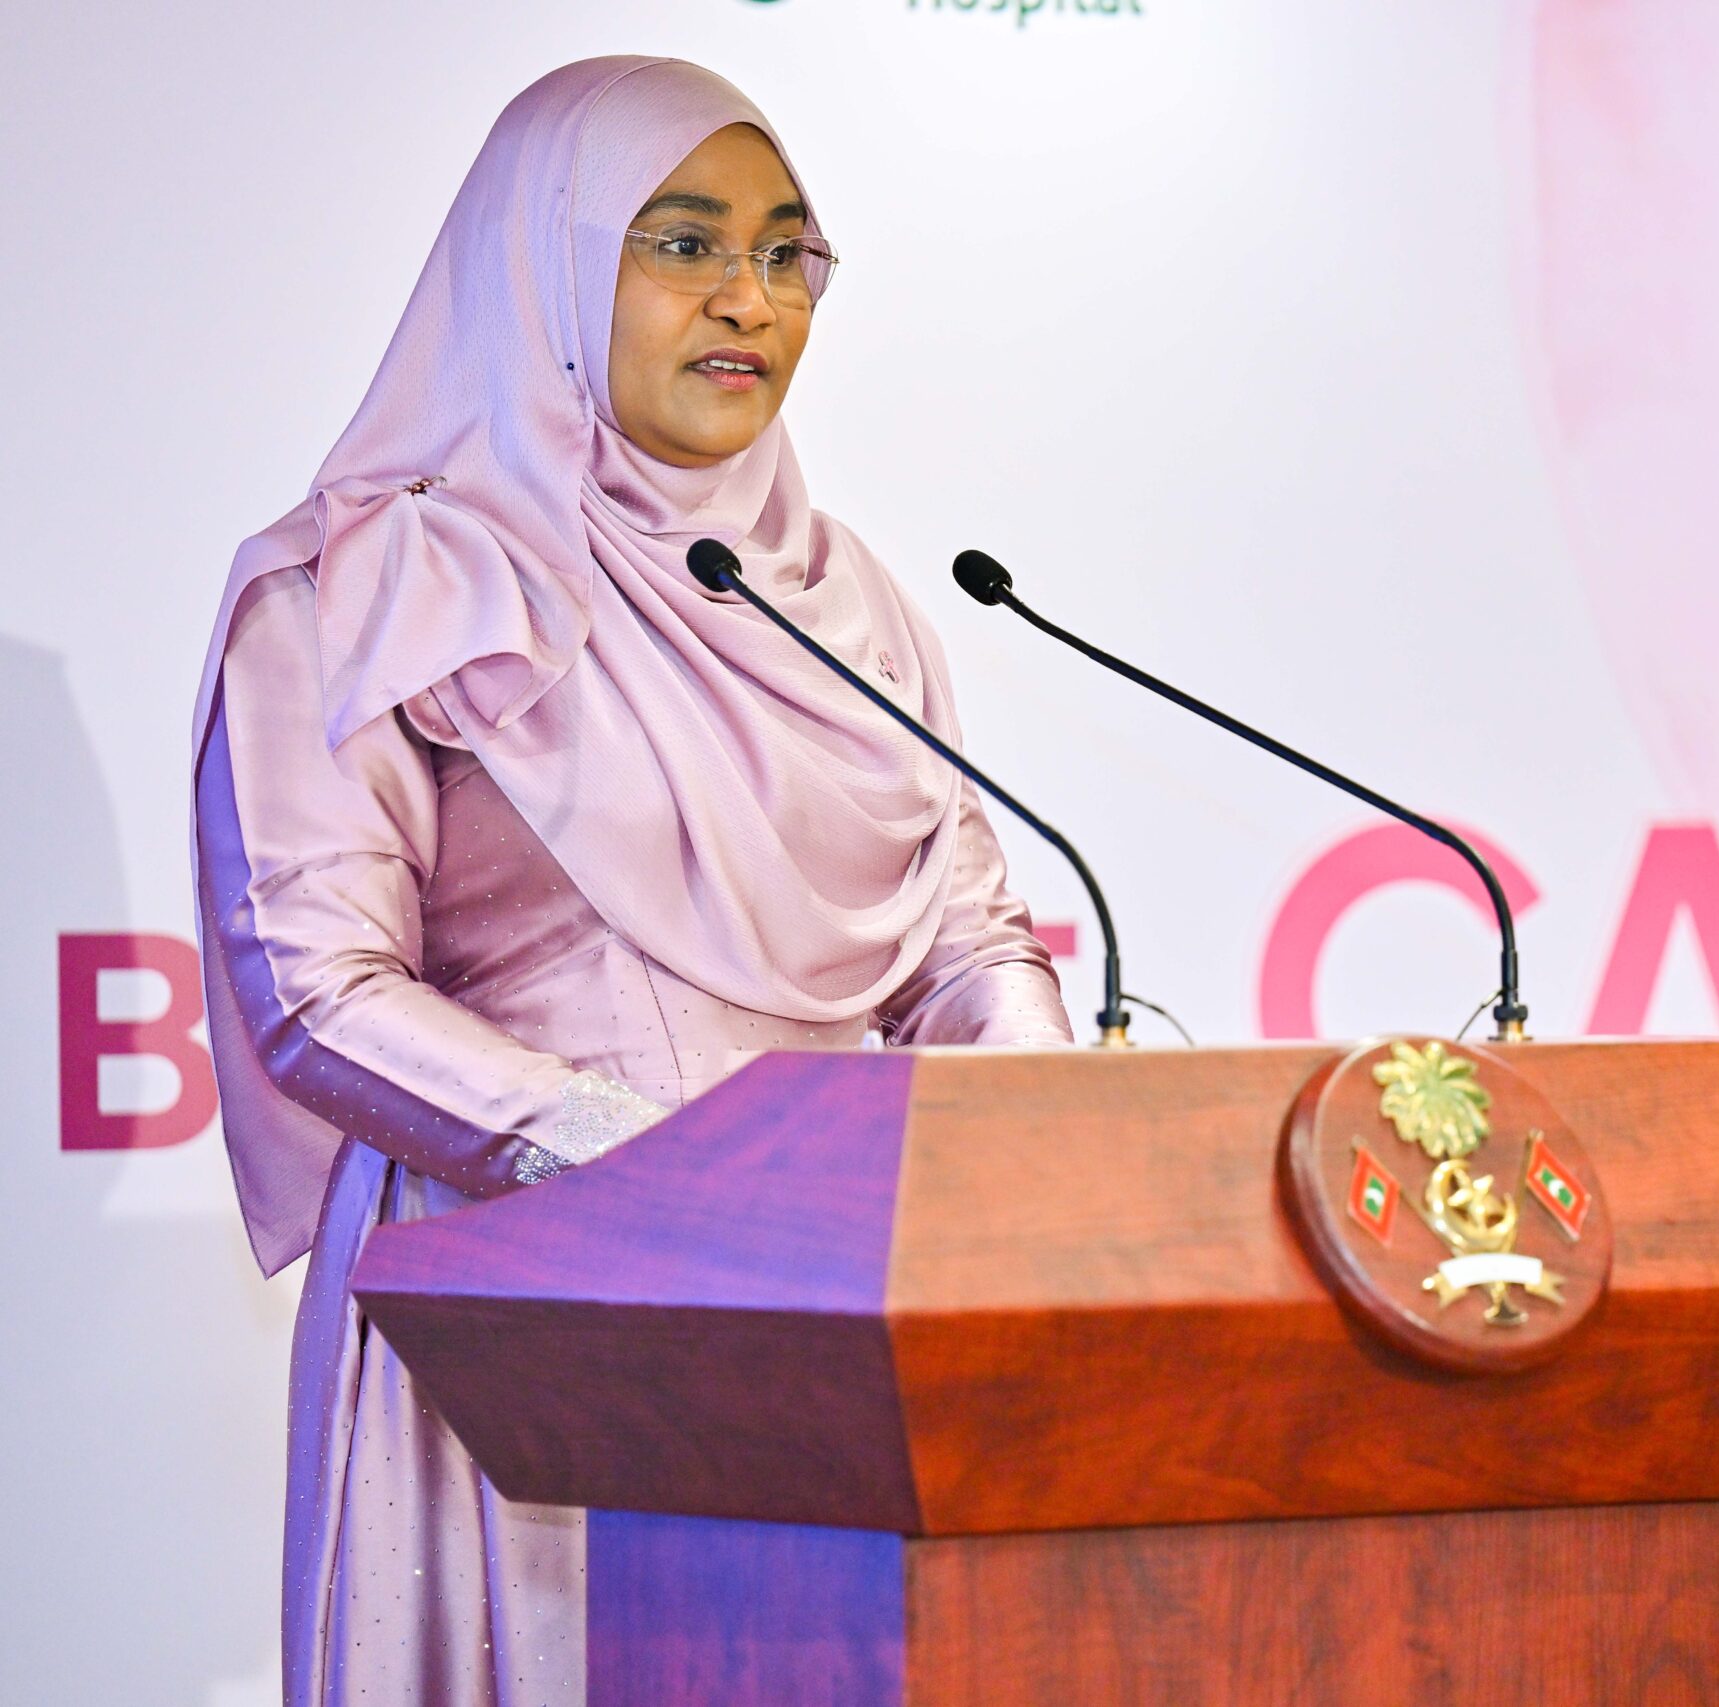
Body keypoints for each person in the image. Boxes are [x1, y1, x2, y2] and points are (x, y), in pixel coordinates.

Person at [188, 57, 1072, 1706]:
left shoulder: (842, 604)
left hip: (837, 1326)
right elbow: (317, 992)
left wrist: (1036, 1141)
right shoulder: (362, 585)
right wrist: (664, 1167)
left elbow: (963, 933)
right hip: (529, 1324)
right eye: (682, 243)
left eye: (787, 253)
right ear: (546, 260)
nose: (750, 297)